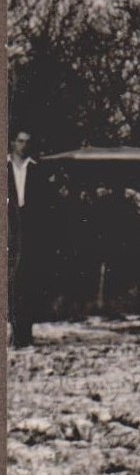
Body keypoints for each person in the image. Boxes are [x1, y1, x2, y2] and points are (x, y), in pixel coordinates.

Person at [7, 131, 37, 348]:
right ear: (12, 143)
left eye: (27, 142)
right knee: (10, 282)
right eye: (20, 141)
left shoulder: (36, 168)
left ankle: (25, 333)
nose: (24, 145)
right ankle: (14, 332)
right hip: (8, 231)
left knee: (27, 283)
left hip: (29, 234)